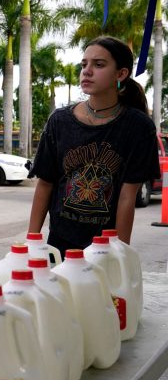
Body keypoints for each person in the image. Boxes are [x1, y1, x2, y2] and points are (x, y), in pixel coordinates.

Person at [28, 35, 160, 253]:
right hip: (60, 244)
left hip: (104, 248)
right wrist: (31, 242)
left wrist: (121, 255)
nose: (87, 71)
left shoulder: (138, 127)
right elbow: (45, 184)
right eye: (84, 64)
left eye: (98, 65)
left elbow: (128, 197)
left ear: (121, 73)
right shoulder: (59, 121)